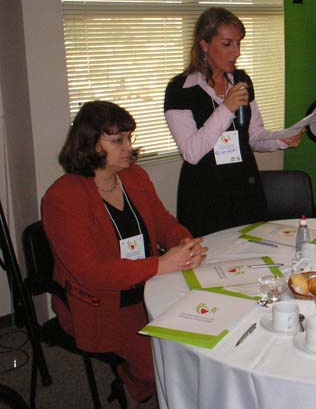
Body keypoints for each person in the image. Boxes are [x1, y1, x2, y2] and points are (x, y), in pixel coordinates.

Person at [42, 101, 208, 409]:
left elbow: (162, 222)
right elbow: (90, 272)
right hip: (100, 304)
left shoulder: (134, 176)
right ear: (89, 143)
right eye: (117, 140)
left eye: (129, 138)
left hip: (150, 285)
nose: (128, 147)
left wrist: (184, 242)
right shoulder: (63, 197)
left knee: (200, 335)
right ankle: (130, 386)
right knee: (157, 363)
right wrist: (160, 265)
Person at [164, 7, 302, 236]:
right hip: (204, 194)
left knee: (252, 248)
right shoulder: (180, 90)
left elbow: (254, 136)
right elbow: (192, 152)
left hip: (244, 187)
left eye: (238, 44)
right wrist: (226, 108)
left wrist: (281, 139)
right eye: (227, 44)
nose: (236, 52)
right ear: (204, 44)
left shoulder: (241, 80)